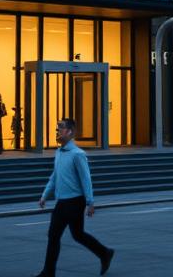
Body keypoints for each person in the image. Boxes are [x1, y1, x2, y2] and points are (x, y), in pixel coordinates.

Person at [33, 117, 114, 277]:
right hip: (62, 201)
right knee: (76, 234)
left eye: (61, 128)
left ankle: (48, 273)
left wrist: (90, 202)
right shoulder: (59, 153)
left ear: (70, 131)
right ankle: (105, 253)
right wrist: (44, 195)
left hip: (75, 202)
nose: (58, 130)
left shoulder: (78, 154)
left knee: (55, 235)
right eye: (57, 128)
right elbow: (54, 176)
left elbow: (86, 179)